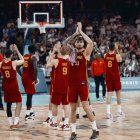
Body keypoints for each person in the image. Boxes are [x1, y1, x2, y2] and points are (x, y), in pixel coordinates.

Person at [66, 22, 99, 140]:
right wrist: (74, 34)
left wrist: (81, 32)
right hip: (71, 85)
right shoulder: (71, 53)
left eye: (81, 41)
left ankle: (95, 129)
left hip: (83, 84)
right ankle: (73, 133)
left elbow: (90, 42)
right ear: (75, 43)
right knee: (73, 109)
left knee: (86, 107)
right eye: (77, 41)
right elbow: (65, 44)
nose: (79, 43)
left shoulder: (85, 53)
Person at [46, 45, 71, 130]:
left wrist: (52, 54)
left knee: (54, 105)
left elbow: (47, 66)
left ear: (60, 51)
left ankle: (54, 122)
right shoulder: (69, 62)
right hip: (66, 87)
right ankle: (66, 123)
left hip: (57, 86)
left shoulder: (56, 61)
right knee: (66, 105)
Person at [0, 44, 24, 129]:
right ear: (11, 55)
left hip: (6, 85)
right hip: (13, 85)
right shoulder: (14, 63)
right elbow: (23, 60)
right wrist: (17, 49)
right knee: (19, 102)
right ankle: (16, 122)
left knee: (8, 105)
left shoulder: (1, 64)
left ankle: (11, 123)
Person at [104, 42, 125, 119]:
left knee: (109, 95)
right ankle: (119, 112)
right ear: (114, 48)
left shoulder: (105, 55)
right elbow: (120, 60)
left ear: (108, 48)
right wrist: (117, 50)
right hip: (116, 78)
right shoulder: (117, 55)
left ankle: (108, 113)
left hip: (108, 78)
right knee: (118, 95)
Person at [43, 40, 61, 124]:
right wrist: (53, 53)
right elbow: (47, 66)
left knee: (65, 100)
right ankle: (50, 116)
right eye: (56, 45)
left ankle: (65, 118)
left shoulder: (64, 54)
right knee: (51, 98)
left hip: (64, 79)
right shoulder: (52, 55)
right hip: (54, 79)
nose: (58, 46)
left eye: (59, 45)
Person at [20, 45, 38, 121]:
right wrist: (36, 78)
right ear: (35, 51)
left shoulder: (24, 56)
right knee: (29, 96)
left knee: (29, 95)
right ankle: (27, 114)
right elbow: (35, 69)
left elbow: (18, 67)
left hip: (24, 77)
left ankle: (30, 111)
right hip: (30, 78)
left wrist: (21, 75)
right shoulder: (33, 57)